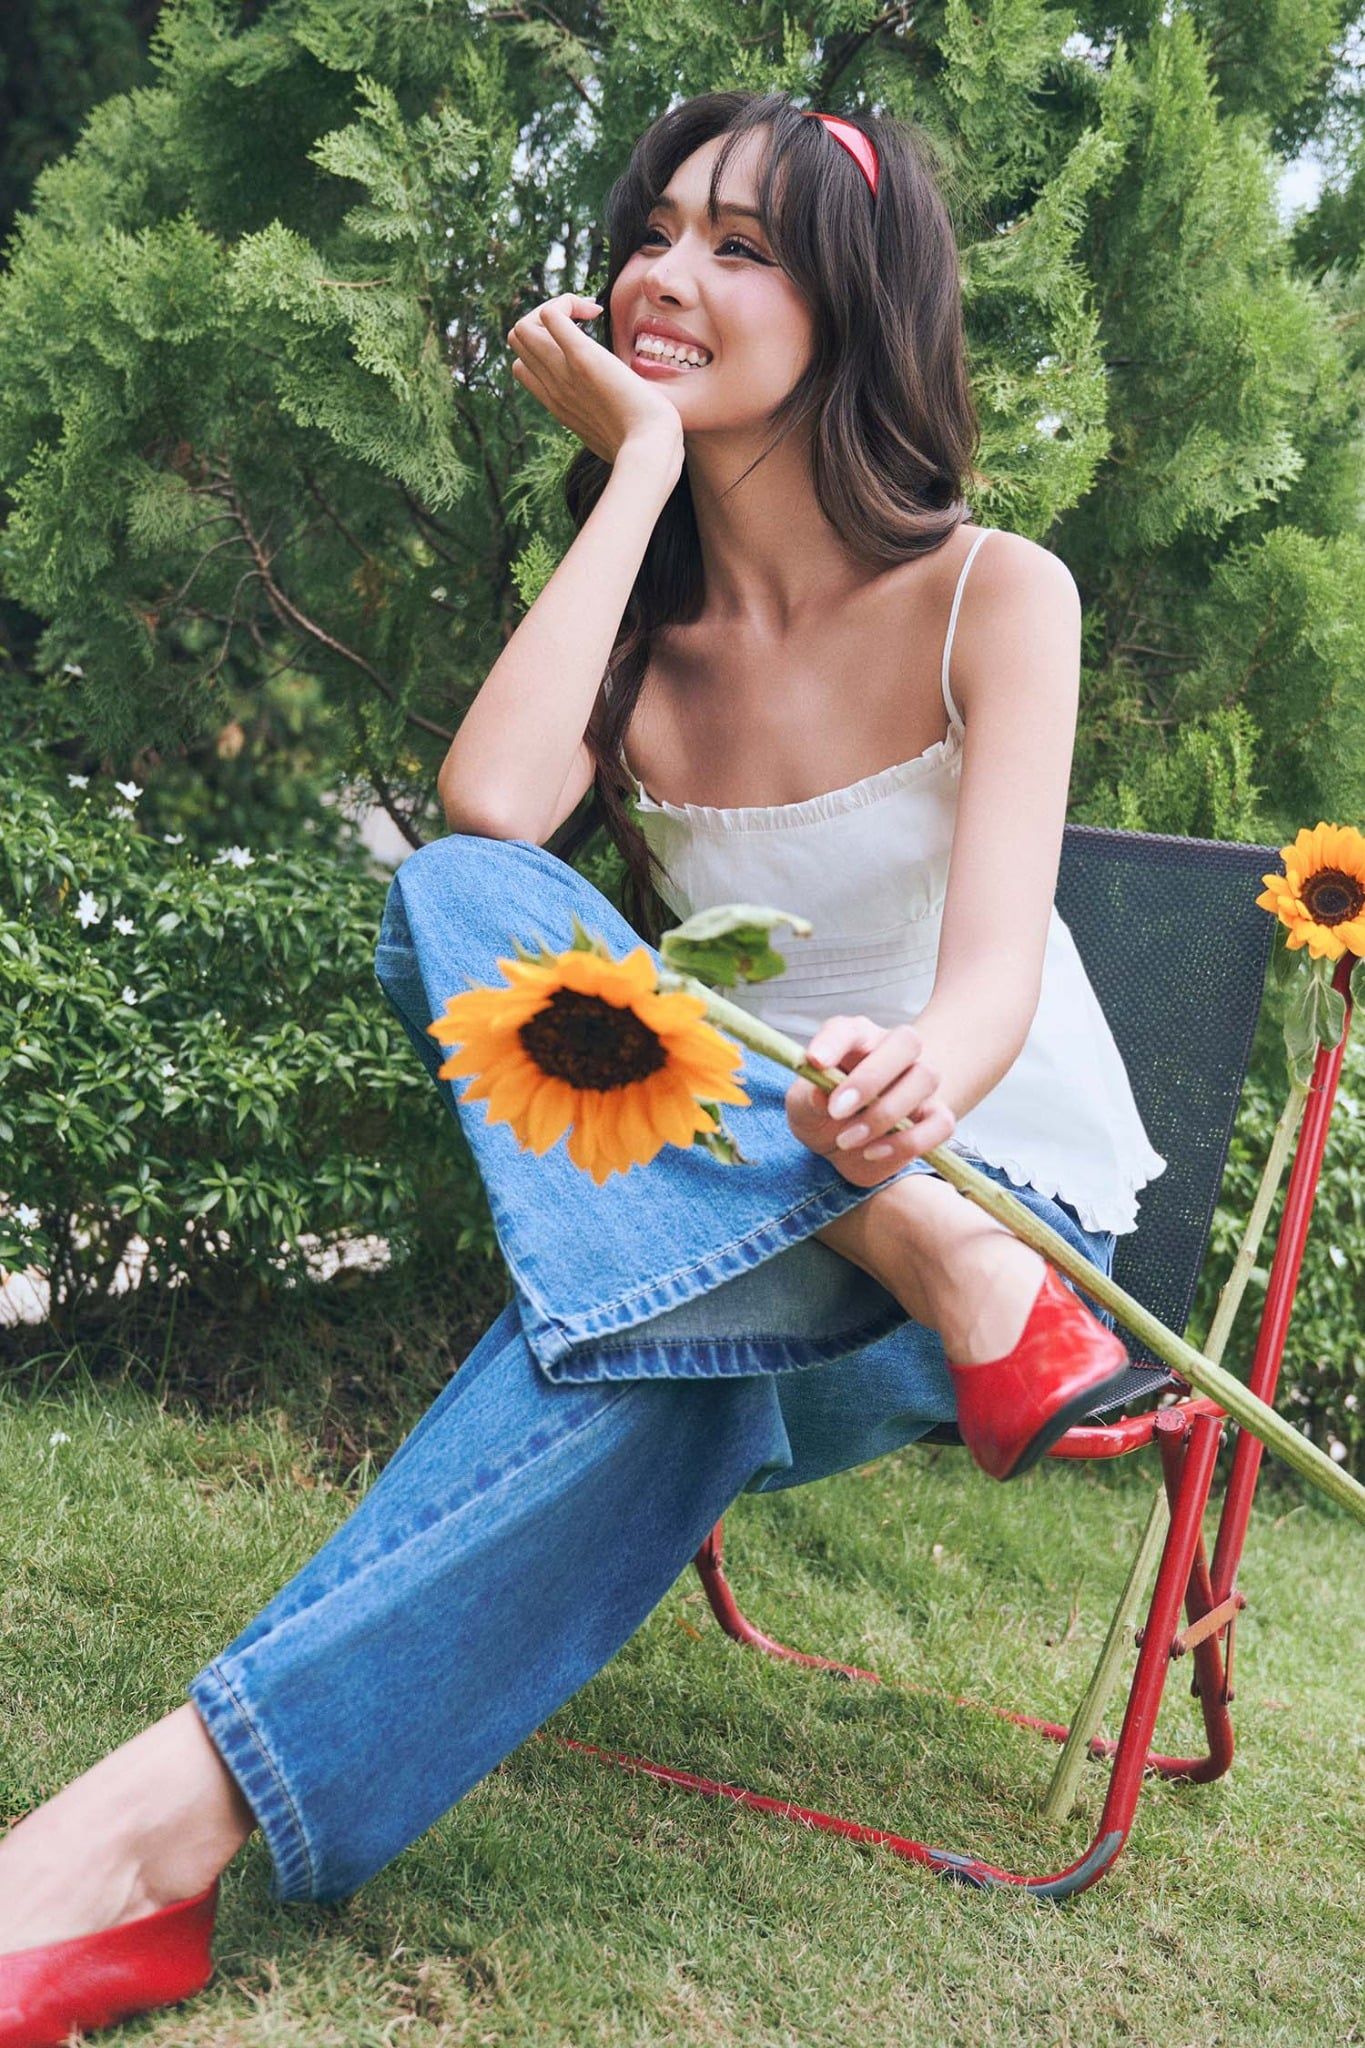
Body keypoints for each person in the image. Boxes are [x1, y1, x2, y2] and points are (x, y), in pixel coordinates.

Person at [0, 89, 1166, 2041]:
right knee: (459, 900)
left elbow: (984, 990)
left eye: (739, 247)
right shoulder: (644, 633)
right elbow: (485, 820)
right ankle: (887, 1235)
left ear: (853, 311)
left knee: (662, 1350)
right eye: (653, 232)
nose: (662, 274)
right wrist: (637, 468)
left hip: (1006, 1208)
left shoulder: (995, 592)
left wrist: (910, 1103)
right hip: (798, 1206)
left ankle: (125, 1856)